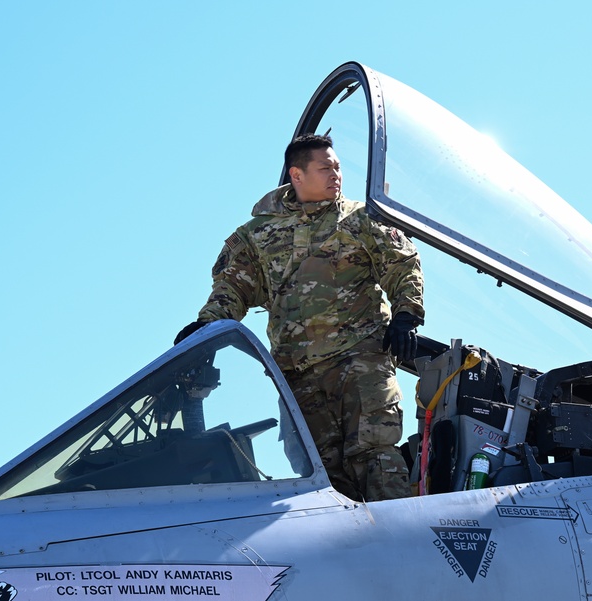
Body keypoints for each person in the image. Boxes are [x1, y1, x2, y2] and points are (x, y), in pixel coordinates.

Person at [174, 133, 424, 501]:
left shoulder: (362, 219)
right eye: (325, 168)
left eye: (337, 167)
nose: (336, 174)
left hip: (361, 358)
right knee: (320, 473)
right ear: (297, 174)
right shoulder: (257, 235)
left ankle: (400, 540)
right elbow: (232, 289)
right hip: (298, 372)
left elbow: (402, 264)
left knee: (375, 454)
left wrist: (406, 314)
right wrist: (206, 330)